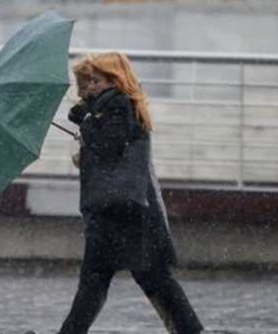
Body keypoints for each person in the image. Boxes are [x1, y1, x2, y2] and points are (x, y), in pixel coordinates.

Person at [58, 52, 204, 334]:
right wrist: (86, 143)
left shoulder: (117, 105)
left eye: (95, 80)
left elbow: (109, 145)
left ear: (116, 79)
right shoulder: (112, 108)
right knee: (141, 278)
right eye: (86, 82)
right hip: (120, 208)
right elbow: (111, 151)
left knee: (107, 280)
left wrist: (86, 129)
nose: (89, 87)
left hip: (119, 210)